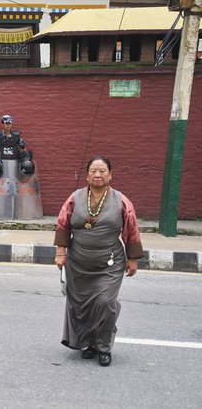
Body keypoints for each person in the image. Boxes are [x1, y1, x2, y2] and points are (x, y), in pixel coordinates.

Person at [54, 156, 143, 367]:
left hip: (109, 263)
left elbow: (131, 229)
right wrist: (61, 253)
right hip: (78, 264)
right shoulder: (75, 198)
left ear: (110, 175)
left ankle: (103, 347)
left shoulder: (121, 200)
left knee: (105, 303)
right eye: (93, 171)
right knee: (81, 306)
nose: (97, 175)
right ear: (87, 175)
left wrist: (132, 259)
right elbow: (63, 224)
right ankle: (89, 343)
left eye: (102, 171)